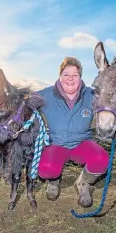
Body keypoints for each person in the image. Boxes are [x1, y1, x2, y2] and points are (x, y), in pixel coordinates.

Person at [35, 57, 107, 208]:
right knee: (45, 170)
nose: (70, 79)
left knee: (101, 160)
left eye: (75, 75)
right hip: (56, 145)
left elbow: (113, 97)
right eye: (66, 74)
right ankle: (54, 181)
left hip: (82, 144)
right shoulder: (45, 95)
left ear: (80, 77)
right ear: (60, 75)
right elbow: (22, 101)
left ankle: (83, 182)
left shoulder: (92, 95)